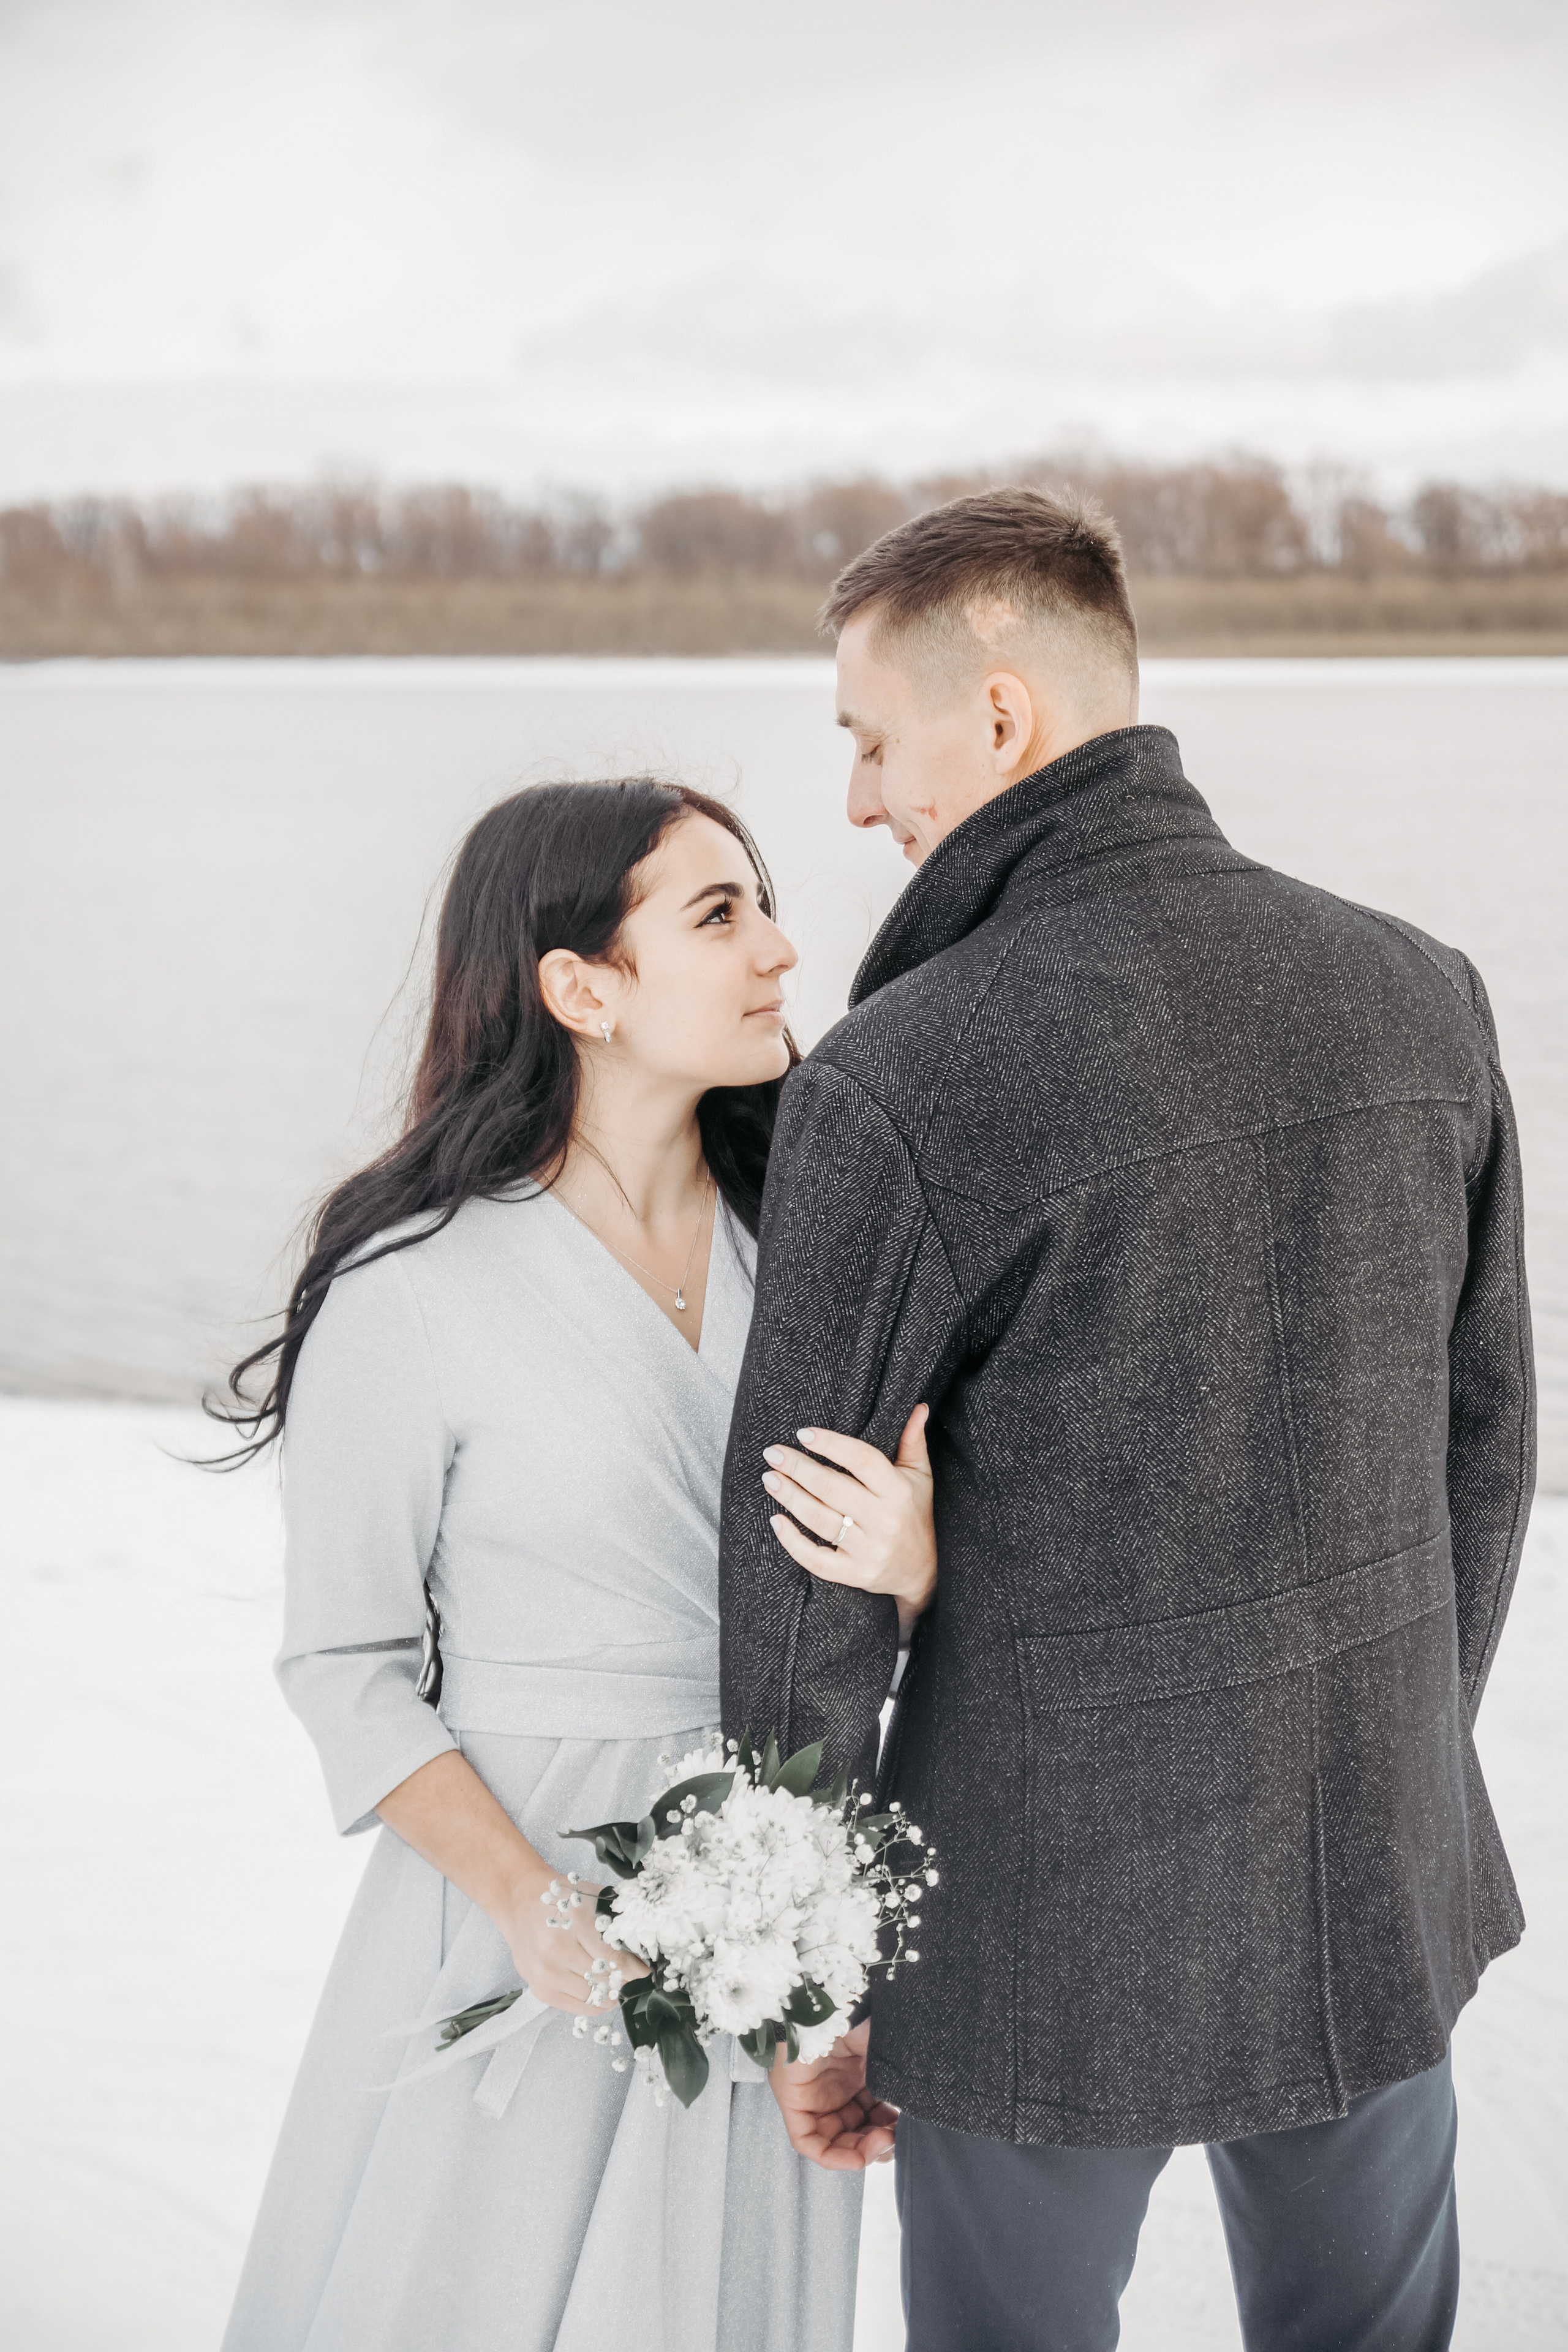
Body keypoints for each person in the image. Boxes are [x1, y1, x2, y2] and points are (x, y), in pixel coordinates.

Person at [720, 488, 1535, 2351]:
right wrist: (1387, 1757)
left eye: (867, 738)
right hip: (1364, 1880)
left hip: (1029, 1928)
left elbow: (800, 1586)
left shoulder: (903, 1077)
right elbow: (1487, 1454)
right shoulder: (1423, 994)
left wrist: (800, 1971)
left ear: (998, 720)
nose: (856, 801)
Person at [216, 778, 938, 2352]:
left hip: (773, 1917)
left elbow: (884, 1596)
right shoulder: (411, 1282)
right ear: (579, 988)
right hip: (510, 1905)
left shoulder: (810, 1244)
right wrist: (542, 1918)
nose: (782, 948)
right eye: (718, 913)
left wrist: (916, 1569)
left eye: (762, 904)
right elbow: (342, 1667)